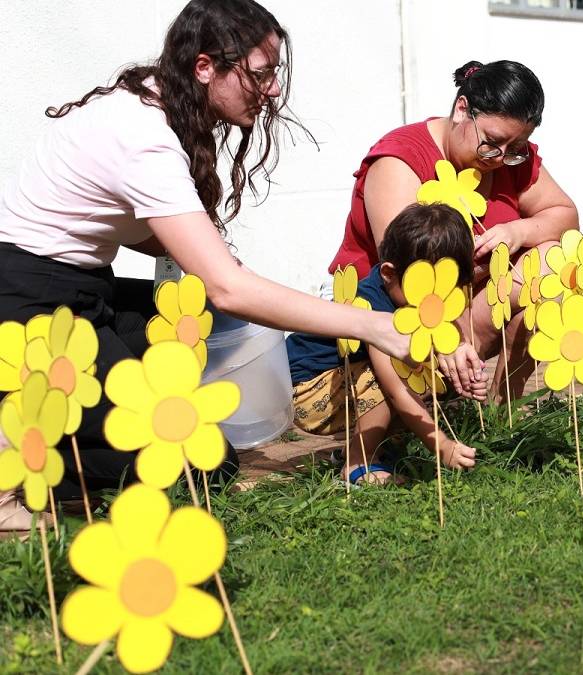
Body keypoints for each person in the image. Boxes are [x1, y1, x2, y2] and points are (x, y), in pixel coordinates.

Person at [0, 0, 410, 529]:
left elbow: (154, 238)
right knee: (184, 467)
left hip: (80, 288)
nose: (274, 90)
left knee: (205, 444)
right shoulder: (144, 136)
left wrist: (203, 253)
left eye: (275, 73)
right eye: (260, 75)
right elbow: (228, 289)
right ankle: (21, 445)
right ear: (203, 68)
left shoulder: (157, 105)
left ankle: (54, 420)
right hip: (30, 302)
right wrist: (371, 324)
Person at [327, 59, 578, 403]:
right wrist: (450, 335)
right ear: (462, 110)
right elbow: (404, 277)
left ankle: (503, 406)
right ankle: (424, 391)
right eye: (492, 142)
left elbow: (565, 217)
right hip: (393, 319)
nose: (500, 158)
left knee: (553, 259)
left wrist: (516, 232)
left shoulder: (506, 158)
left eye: (515, 150)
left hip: (465, 312)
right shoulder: (400, 161)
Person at [288, 203, 482, 484]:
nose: (437, 299)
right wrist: (441, 446)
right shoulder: (375, 310)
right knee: (392, 379)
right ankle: (359, 463)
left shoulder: (406, 302)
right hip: (308, 392)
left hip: (345, 382)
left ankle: (372, 448)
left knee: (422, 372)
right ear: (390, 274)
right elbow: (396, 391)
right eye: (426, 287)